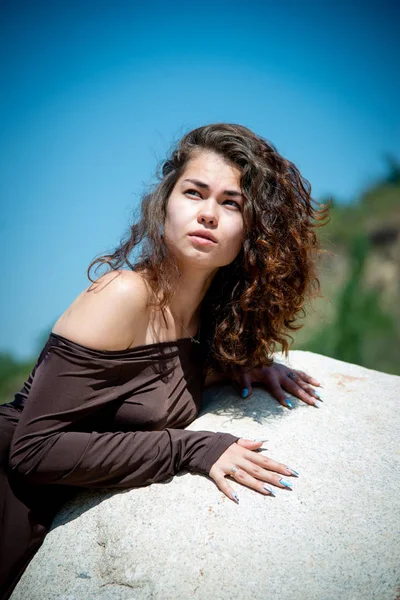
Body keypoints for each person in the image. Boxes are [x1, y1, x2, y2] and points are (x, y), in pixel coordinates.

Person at [0, 122, 328, 599]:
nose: (208, 214)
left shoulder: (207, 324)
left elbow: (150, 382)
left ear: (253, 232)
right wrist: (191, 449)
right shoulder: (123, 295)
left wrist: (243, 365)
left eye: (231, 202)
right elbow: (33, 450)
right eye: (194, 193)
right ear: (165, 203)